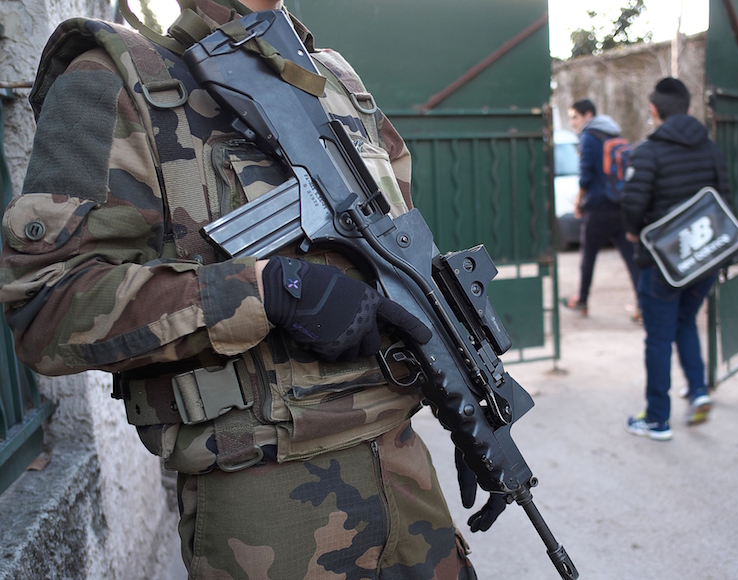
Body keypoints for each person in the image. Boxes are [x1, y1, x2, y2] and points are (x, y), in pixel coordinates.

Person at [0, 0, 498, 576]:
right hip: (265, 505)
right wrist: (265, 291)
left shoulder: (334, 79)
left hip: (406, 475)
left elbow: (400, 263)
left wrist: (460, 395)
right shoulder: (113, 78)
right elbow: (46, 307)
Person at [621, 77, 731, 441]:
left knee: (658, 338)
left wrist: (634, 230)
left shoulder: (648, 151)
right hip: (703, 260)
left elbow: (634, 205)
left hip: (662, 263)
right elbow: (724, 199)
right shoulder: (710, 148)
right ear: (686, 107)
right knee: (685, 322)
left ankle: (656, 419)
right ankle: (698, 391)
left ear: (654, 110)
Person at [562, 98, 639, 319]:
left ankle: (583, 300)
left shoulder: (588, 136)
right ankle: (642, 306)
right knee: (630, 257)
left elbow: (585, 177)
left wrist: (578, 203)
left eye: (575, 116)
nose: (572, 122)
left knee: (588, 257)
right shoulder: (614, 133)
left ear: (588, 115)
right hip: (620, 204)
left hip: (597, 207)